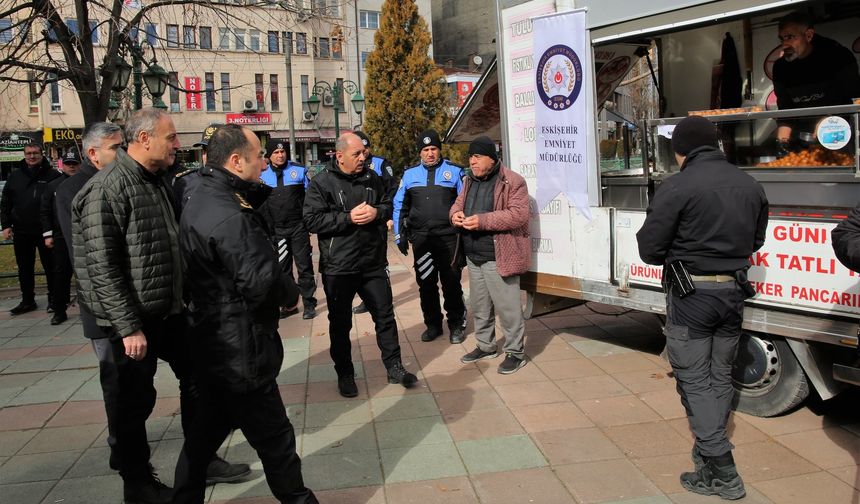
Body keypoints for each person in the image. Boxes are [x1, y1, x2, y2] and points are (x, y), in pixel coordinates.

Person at [72, 109, 248, 504]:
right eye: (170, 138)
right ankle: (137, 483)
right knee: (133, 404)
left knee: (201, 378)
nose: (178, 144)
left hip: (168, 311)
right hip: (133, 321)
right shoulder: (107, 189)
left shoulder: (156, 182)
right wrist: (127, 326)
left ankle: (201, 456)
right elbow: (100, 266)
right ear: (144, 139)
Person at [172, 123, 317, 504]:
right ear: (236, 161)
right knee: (275, 440)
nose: (264, 163)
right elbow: (261, 279)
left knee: (203, 436)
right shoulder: (229, 213)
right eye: (257, 157)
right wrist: (289, 296)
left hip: (211, 337)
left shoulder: (198, 189)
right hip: (238, 345)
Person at [636, 116, 768, 500]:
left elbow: (650, 249)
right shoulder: (750, 183)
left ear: (681, 150)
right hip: (732, 294)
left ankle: (723, 470)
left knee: (693, 379)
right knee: (719, 375)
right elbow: (756, 239)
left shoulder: (676, 186)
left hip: (692, 296)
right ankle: (708, 458)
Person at [304, 132, 417, 398]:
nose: (363, 158)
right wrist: (347, 218)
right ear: (339, 155)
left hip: (372, 262)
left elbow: (390, 204)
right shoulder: (321, 183)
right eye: (356, 154)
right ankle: (345, 374)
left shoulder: (372, 177)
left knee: (385, 317)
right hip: (338, 267)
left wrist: (378, 212)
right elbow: (311, 220)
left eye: (364, 153)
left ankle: (394, 366)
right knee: (340, 324)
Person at [450, 136, 530, 373]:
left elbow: (518, 215)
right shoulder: (469, 180)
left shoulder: (513, 181)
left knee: (508, 308)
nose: (472, 161)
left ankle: (516, 352)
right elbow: (457, 204)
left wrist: (483, 221)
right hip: (474, 255)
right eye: (470, 157)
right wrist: (454, 215)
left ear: (491, 158)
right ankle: (486, 346)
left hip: (499, 256)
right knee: (480, 306)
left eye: (477, 157)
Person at [393, 129, 468, 344]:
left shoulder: (454, 172)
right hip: (422, 240)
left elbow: (464, 203)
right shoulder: (409, 175)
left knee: (451, 283)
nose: (430, 153)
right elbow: (399, 205)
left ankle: (456, 325)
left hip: (449, 238)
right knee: (426, 283)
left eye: (433, 148)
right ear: (420, 153)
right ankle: (433, 324)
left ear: (439, 150)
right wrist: (399, 236)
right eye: (425, 150)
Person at [772, 11, 860, 149]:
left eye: (790, 37)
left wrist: (830, 121)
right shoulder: (780, 68)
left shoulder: (839, 57)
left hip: (841, 137)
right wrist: (782, 142)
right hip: (802, 140)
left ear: (809, 35)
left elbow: (854, 100)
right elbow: (785, 109)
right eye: (782, 39)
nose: (785, 44)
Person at [260, 139, 318, 320]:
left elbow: (310, 200)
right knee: (283, 271)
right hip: (278, 232)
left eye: (282, 152)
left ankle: (309, 303)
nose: (280, 155)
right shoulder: (262, 177)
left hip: (298, 229)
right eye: (276, 153)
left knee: (304, 267)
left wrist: (308, 223)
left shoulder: (299, 171)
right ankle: (289, 305)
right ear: (269, 156)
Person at [1, 142, 60, 315]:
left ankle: (53, 300)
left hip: (46, 231)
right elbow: (5, 202)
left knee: (51, 267)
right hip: (21, 230)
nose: (32, 156)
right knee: (24, 268)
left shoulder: (53, 175)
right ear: (24, 155)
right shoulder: (15, 176)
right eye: (28, 153)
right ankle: (27, 300)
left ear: (42, 154)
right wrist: (6, 225)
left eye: (35, 153)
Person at [351, 130, 396, 315]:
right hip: (357, 223)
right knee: (361, 263)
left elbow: (391, 189)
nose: (364, 152)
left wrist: (386, 215)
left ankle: (385, 298)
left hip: (377, 221)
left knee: (380, 261)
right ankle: (366, 299)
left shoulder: (380, 164)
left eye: (366, 147)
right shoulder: (352, 167)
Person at [40, 149, 81, 325]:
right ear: (62, 165)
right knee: (61, 273)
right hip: (60, 235)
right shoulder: (53, 185)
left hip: (82, 235)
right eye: (68, 164)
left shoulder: (86, 183)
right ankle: (59, 309)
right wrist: (47, 234)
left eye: (75, 164)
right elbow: (45, 211)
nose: (71, 167)